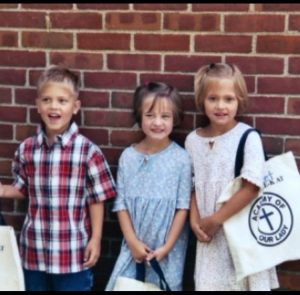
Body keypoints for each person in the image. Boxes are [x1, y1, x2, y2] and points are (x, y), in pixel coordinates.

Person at [0, 66, 116, 291]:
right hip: (34, 253)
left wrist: (96, 238)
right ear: (38, 105)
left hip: (72, 254)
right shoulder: (27, 149)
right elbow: (22, 188)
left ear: (75, 107)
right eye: (47, 99)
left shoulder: (87, 151)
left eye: (62, 101)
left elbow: (97, 199)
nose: (54, 106)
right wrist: (3, 190)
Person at [185, 63, 279, 291]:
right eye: (213, 98)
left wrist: (217, 219)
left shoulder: (247, 137)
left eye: (229, 99)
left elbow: (251, 187)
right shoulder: (192, 141)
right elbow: (192, 186)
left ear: (239, 100)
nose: (221, 106)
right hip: (208, 236)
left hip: (242, 233)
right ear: (201, 101)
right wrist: (195, 220)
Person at [105, 82, 192, 291]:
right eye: (150, 115)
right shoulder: (128, 157)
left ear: (175, 118)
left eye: (165, 116)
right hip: (133, 246)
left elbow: (183, 208)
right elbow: (121, 205)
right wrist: (133, 242)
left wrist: (167, 247)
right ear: (139, 116)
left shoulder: (181, 159)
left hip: (166, 250)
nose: (157, 123)